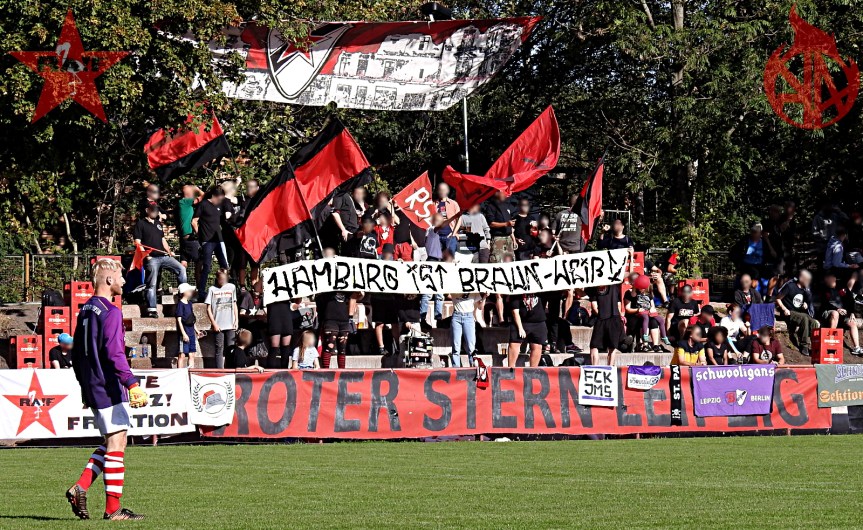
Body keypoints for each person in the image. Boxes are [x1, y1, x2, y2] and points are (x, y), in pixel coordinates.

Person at [67, 258, 146, 521]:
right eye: (121, 276)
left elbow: (77, 354)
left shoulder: (86, 309)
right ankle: (112, 510)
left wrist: (84, 388)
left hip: (93, 384)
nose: (124, 280)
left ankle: (81, 486)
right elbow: (114, 354)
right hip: (109, 385)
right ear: (109, 280)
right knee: (117, 444)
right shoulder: (111, 311)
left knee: (113, 441)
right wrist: (132, 383)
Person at [133, 203, 187, 318]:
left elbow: (163, 240)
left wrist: (169, 251)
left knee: (181, 269)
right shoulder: (140, 224)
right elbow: (137, 242)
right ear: (147, 210)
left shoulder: (158, 224)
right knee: (151, 284)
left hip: (163, 256)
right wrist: (146, 256)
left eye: (156, 210)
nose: (155, 212)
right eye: (153, 210)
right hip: (151, 258)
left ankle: (183, 296)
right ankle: (152, 309)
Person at [192, 186, 229, 300]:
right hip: (207, 241)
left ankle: (224, 288)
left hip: (217, 239)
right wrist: (200, 235)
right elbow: (194, 221)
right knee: (207, 266)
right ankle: (202, 292)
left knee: (224, 265)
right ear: (213, 196)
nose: (220, 201)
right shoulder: (203, 205)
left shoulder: (218, 206)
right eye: (219, 198)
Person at [775, 270, 819, 356]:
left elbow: (806, 302)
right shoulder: (790, 286)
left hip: (798, 313)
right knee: (804, 318)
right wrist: (784, 309)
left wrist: (805, 304)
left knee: (814, 322)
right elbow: (778, 299)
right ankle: (804, 345)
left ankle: (815, 346)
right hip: (788, 312)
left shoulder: (805, 290)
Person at [820, 273, 863, 356]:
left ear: (834, 278)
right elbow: (824, 303)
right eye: (826, 278)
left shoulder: (842, 288)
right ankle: (830, 342)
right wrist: (837, 309)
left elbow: (851, 300)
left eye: (829, 277)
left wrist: (851, 313)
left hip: (843, 314)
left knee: (852, 322)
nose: (827, 280)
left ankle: (856, 347)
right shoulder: (823, 289)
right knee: (835, 314)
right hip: (828, 312)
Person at [625, 277, 670, 352]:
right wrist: (638, 309)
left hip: (648, 313)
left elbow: (652, 305)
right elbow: (628, 308)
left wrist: (652, 309)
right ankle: (644, 344)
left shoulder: (648, 293)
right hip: (636, 315)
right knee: (644, 319)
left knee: (655, 321)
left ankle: (657, 344)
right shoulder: (631, 293)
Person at [316, 290, 360, 369]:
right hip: (330, 319)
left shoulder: (346, 288)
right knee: (329, 346)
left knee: (342, 349)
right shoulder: (326, 290)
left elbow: (355, 296)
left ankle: (342, 371)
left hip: (344, 319)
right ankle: (326, 371)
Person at [205, 269, 237, 369]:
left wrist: (236, 320)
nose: (222, 281)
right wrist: (214, 323)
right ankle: (220, 370)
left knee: (230, 348)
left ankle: (230, 369)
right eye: (220, 279)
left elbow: (234, 304)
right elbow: (208, 308)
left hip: (230, 324)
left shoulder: (232, 287)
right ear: (217, 279)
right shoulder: (212, 289)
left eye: (224, 279)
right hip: (218, 325)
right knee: (219, 348)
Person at [587, 283, 624, 366]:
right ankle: (594, 367)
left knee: (612, 346)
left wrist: (621, 315)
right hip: (601, 320)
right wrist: (602, 315)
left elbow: (618, 304)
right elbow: (594, 307)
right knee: (594, 345)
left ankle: (610, 367)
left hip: (614, 319)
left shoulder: (614, 286)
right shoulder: (594, 290)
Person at [373, 244, 400, 357]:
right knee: (380, 323)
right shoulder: (376, 262)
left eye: (391, 254)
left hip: (391, 298)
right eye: (387, 253)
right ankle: (381, 347)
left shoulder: (395, 263)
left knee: (394, 323)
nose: (389, 255)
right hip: (378, 298)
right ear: (383, 252)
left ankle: (398, 346)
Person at [507, 292, 547, 367]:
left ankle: (533, 370)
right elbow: (515, 312)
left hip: (538, 321)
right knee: (514, 343)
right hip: (521, 321)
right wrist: (520, 328)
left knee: (537, 345)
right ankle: (511, 369)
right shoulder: (516, 293)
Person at [176, 183, 204, 274]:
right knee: (199, 261)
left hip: (184, 239)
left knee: (184, 263)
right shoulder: (185, 201)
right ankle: (200, 287)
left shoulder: (182, 203)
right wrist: (197, 189)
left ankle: (182, 285)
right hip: (190, 239)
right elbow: (204, 196)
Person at [450, 291, 480, 367]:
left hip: (469, 316)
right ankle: (455, 367)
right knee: (456, 345)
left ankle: (473, 366)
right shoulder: (454, 288)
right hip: (457, 315)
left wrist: (485, 297)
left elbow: (480, 306)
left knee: (471, 345)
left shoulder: (474, 291)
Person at [485, 191, 516, 263]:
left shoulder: (506, 206)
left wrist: (514, 239)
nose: (505, 194)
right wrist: (506, 224)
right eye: (502, 192)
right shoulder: (491, 206)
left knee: (510, 261)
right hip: (498, 238)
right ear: (496, 193)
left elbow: (510, 225)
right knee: (497, 261)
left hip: (508, 238)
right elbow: (491, 224)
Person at [434, 182, 461, 256]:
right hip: (437, 236)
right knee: (436, 259)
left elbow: (459, 219)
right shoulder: (434, 204)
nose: (442, 192)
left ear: (447, 191)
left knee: (449, 259)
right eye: (440, 190)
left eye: (444, 190)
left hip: (450, 236)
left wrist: (454, 233)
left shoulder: (453, 203)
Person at [174, 283, 197, 369]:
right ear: (184, 292)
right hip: (184, 333)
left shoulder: (190, 304)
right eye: (189, 290)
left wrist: (197, 331)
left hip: (191, 333)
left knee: (192, 354)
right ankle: (180, 374)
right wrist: (184, 334)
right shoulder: (180, 304)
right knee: (182, 354)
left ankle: (191, 372)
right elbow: (179, 320)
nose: (191, 292)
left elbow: (191, 320)